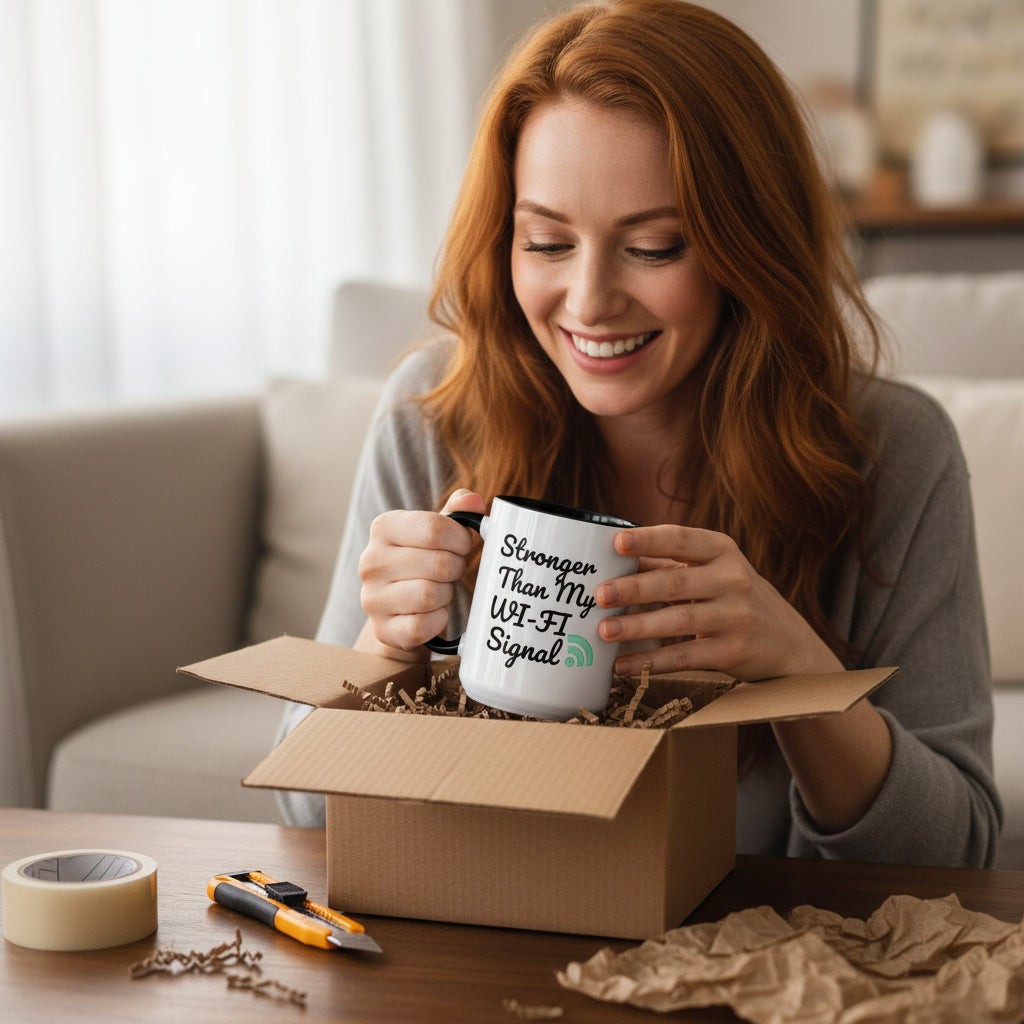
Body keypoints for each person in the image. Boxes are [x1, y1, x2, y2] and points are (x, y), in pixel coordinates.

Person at [277, 0, 1001, 867]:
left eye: (653, 248)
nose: (587, 302)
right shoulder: (432, 415)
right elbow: (303, 808)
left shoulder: (893, 452)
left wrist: (800, 676)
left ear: (750, 247)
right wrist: (381, 650)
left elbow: (958, 852)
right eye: (545, 242)